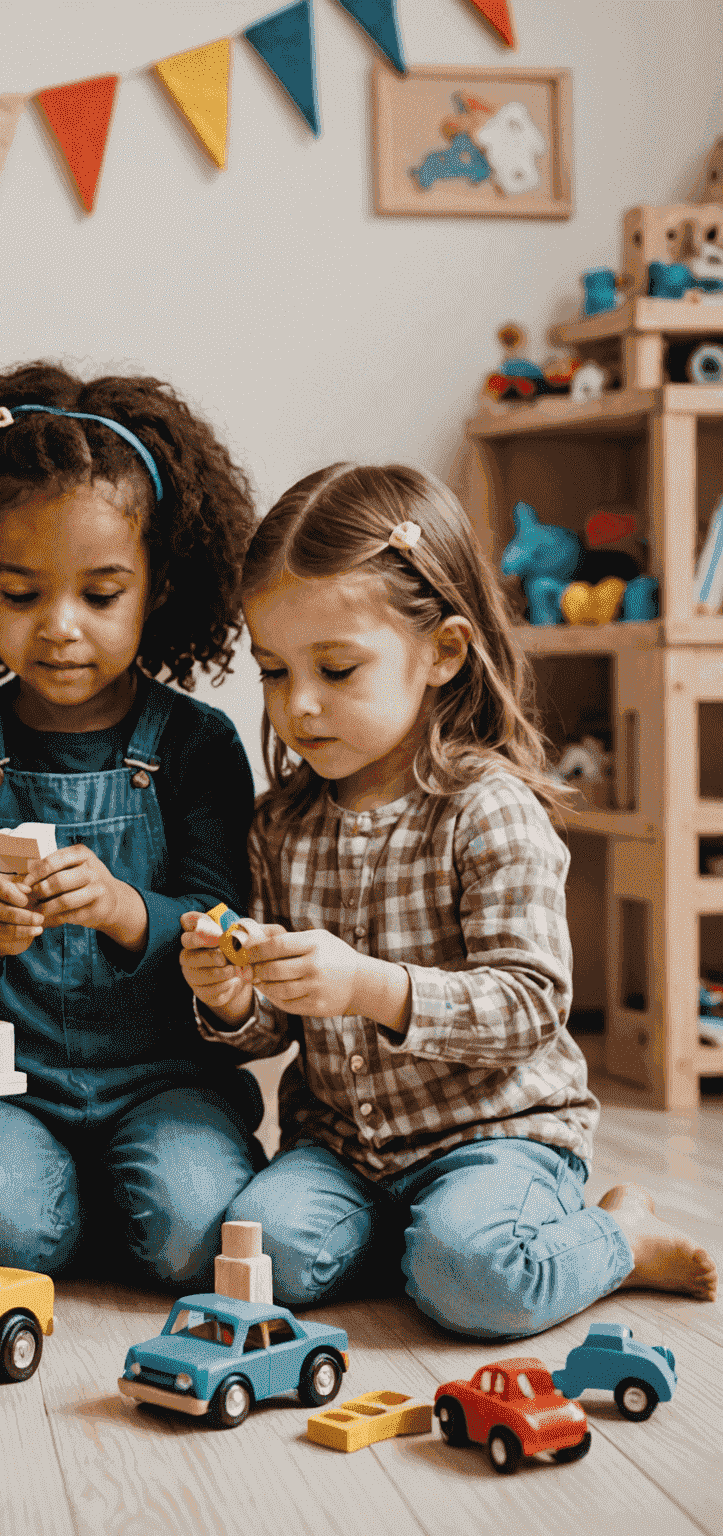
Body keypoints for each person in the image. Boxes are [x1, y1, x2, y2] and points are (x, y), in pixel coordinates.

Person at [183, 461, 717, 1339]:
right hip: (345, 1150)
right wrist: (234, 995)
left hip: (495, 1135)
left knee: (476, 1280)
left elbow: (530, 1006)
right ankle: (429, 1241)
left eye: (338, 668)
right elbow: (277, 1031)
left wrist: (371, 988)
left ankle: (617, 1233)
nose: (298, 705)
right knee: (258, 1256)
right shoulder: (281, 823)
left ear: (444, 652)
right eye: (274, 671)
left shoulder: (487, 809)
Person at [0, 363, 266, 1285]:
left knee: (193, 1231)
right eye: (22, 594)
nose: (60, 628)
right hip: (8, 1083)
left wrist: (127, 910)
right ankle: (73, 1204)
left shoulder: (196, 745)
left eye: (100, 596)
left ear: (158, 584)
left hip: (165, 1082)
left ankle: (110, 1202)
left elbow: (224, 926)